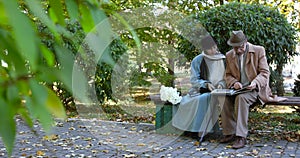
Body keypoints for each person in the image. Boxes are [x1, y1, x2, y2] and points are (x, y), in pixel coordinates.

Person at [220, 30, 286, 149]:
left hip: (256, 90)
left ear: (245, 42)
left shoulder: (258, 50)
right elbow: (228, 75)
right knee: (224, 98)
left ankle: (241, 136)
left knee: (241, 98)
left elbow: (265, 73)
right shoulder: (230, 55)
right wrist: (234, 83)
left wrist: (255, 83)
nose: (237, 50)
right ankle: (229, 133)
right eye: (235, 48)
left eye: (240, 47)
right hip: (238, 89)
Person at [172, 35, 226, 139]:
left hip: (218, 90)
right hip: (200, 89)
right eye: (210, 48)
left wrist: (221, 84)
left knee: (204, 99)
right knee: (192, 100)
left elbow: (226, 77)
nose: (213, 50)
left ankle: (202, 130)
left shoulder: (222, 59)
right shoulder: (198, 60)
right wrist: (206, 84)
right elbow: (194, 79)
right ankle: (192, 129)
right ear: (204, 49)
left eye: (215, 47)